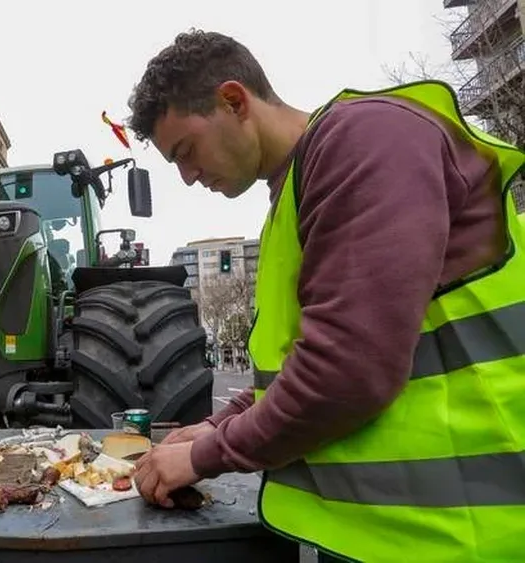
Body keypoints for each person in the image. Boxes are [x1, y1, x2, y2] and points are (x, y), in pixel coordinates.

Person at [126, 30, 525, 562]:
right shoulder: (295, 193)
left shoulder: (366, 143)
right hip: (399, 533)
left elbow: (347, 371)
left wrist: (207, 455)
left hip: (469, 536)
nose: (189, 176)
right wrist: (215, 423)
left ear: (233, 100)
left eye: (186, 151)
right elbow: (302, 362)